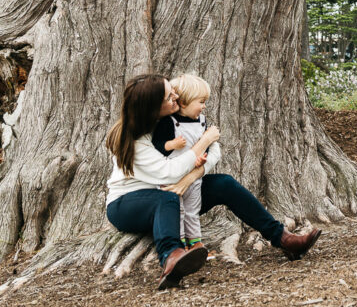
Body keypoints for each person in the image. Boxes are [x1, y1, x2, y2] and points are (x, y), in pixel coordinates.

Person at [105, 74, 322, 289]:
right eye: (169, 96)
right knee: (166, 198)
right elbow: (170, 173)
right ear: (153, 106)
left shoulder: (175, 119)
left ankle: (283, 239)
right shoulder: (135, 139)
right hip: (128, 205)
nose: (176, 96)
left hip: (175, 194)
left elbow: (215, 151)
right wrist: (204, 141)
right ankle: (172, 258)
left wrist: (193, 175)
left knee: (224, 184)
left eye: (173, 91)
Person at [152, 74, 218, 255]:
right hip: (172, 177)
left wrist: (202, 159)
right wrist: (171, 145)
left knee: (192, 210)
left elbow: (206, 146)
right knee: (177, 211)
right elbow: (158, 146)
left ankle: (195, 241)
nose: (204, 106)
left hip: (193, 176)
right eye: (201, 102)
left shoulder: (202, 121)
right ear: (183, 102)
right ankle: (180, 243)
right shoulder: (168, 122)